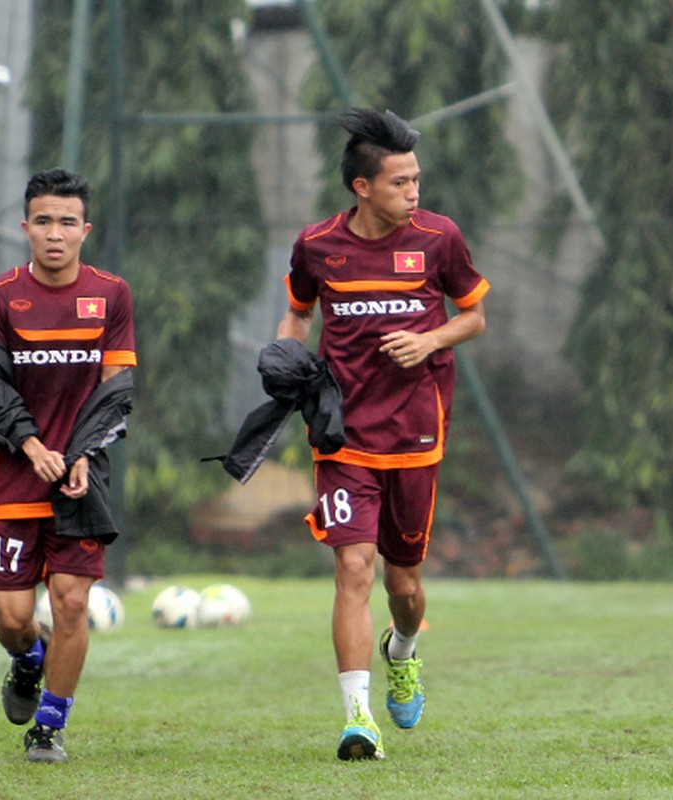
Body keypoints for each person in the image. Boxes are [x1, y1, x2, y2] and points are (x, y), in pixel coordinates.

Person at [275, 109, 489, 760]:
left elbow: (473, 316)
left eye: (416, 179)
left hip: (416, 432)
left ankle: (403, 648)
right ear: (361, 187)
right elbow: (297, 311)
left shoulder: (438, 238)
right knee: (352, 568)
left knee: (403, 586)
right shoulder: (317, 245)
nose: (413, 192)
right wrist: (286, 358)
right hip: (342, 435)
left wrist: (428, 338)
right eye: (399, 182)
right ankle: (357, 719)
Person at [0, 168, 135, 763]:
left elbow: (115, 389)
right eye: (43, 221)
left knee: (68, 602)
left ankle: (50, 726)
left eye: (67, 222)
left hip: (81, 477)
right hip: (14, 471)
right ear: (25, 228)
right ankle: (27, 661)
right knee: (14, 618)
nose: (55, 233)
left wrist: (82, 453)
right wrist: (31, 445)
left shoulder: (111, 294)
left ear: (85, 230)